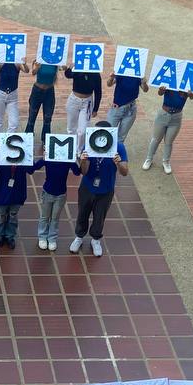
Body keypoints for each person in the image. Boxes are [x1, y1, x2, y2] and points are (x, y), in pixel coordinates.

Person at [71, 123, 129, 257]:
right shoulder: (89, 144)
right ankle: (79, 237)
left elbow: (125, 172)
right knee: (82, 213)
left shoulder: (118, 147)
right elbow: (84, 172)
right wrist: (83, 161)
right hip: (87, 187)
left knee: (100, 216)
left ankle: (96, 240)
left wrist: (119, 163)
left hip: (106, 189)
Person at [34, 152, 80, 251]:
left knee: (55, 218)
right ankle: (42, 237)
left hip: (61, 194)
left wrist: (74, 159)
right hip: (48, 192)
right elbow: (35, 167)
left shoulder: (67, 160)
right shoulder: (49, 158)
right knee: (45, 216)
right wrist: (43, 157)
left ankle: (52, 239)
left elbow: (77, 172)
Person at [142, 87, 193, 175]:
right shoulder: (170, 79)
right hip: (163, 114)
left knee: (169, 141)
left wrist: (190, 94)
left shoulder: (186, 83)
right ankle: (149, 159)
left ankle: (166, 162)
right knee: (156, 138)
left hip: (176, 117)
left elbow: (192, 97)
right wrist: (161, 90)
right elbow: (160, 93)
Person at [0, 147, 30, 249]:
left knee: (13, 216)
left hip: (17, 193)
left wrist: (28, 155)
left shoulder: (23, 158)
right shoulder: (3, 155)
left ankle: (10, 236)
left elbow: (31, 170)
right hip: (2, 193)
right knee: (0, 216)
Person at [106, 70, 148, 144]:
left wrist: (144, 83)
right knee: (108, 133)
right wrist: (111, 77)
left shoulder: (138, 73)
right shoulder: (121, 70)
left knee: (121, 137)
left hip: (131, 108)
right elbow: (109, 84)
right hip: (117, 107)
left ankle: (117, 154)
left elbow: (145, 89)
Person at [63, 65, 103, 143]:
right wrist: (70, 68)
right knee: (71, 128)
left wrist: (95, 109)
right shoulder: (78, 69)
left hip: (87, 102)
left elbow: (98, 92)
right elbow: (68, 75)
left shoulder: (96, 74)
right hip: (74, 100)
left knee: (83, 131)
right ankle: (72, 149)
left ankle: (79, 151)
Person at [24, 59, 58, 138]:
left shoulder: (55, 61)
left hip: (49, 91)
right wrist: (37, 67)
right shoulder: (38, 60)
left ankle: (45, 141)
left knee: (48, 117)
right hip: (37, 90)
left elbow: (57, 73)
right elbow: (33, 73)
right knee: (32, 116)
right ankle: (28, 138)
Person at [0, 57, 21, 133]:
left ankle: (7, 140)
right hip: (0, 94)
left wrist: (24, 63)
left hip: (13, 95)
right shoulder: (1, 63)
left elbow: (27, 70)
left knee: (14, 123)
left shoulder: (17, 63)